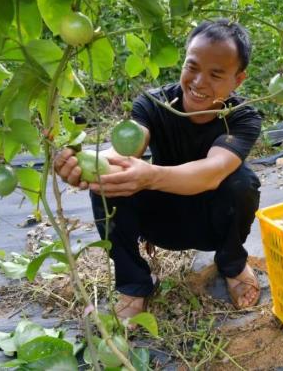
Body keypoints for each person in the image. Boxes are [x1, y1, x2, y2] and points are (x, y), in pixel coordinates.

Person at [54, 19, 262, 322]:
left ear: (238, 79)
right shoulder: (154, 103)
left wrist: (150, 176)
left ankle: (232, 263)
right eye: (192, 67)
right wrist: (87, 165)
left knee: (243, 182)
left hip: (211, 224)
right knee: (109, 182)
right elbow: (124, 150)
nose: (199, 82)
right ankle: (135, 284)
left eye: (216, 74)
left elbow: (213, 171)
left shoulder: (243, 117)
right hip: (160, 222)